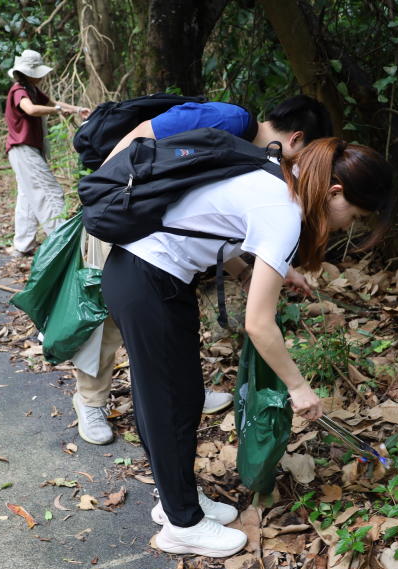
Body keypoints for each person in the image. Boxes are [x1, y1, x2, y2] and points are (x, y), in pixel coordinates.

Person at [101, 137, 393, 557]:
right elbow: (259, 324)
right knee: (165, 405)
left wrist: (259, 271)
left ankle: (177, 499)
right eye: (355, 214)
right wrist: (298, 388)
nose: (350, 225)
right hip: (146, 278)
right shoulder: (286, 212)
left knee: (183, 399)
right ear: (335, 192)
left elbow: (213, 224)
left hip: (153, 275)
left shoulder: (277, 173)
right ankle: (181, 523)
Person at [73, 95, 335, 446]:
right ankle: (91, 400)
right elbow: (139, 134)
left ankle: (183, 390)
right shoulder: (229, 120)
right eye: (307, 159)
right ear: (296, 140)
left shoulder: (253, 159)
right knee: (107, 318)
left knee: (166, 319)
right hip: (122, 211)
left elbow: (205, 221)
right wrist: (109, 193)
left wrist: (245, 271)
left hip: (156, 229)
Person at [4, 49, 89, 256]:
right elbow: (31, 110)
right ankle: (63, 245)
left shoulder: (31, 89)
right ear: (30, 73)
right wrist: (58, 111)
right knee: (49, 192)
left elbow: (53, 103)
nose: (43, 76)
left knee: (27, 197)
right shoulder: (19, 90)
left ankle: (22, 246)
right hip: (23, 149)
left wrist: (77, 109)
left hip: (25, 149)